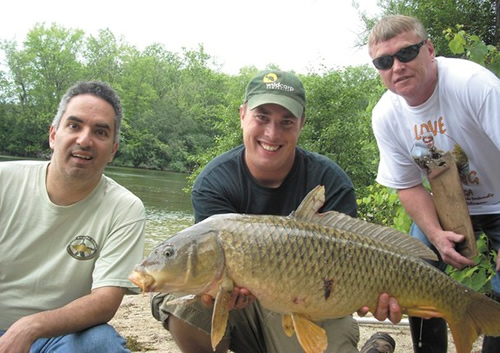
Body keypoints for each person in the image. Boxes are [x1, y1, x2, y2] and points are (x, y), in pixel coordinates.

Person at [151, 70, 401, 353]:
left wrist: (373, 295)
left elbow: (355, 269)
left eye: (286, 122)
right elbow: (206, 269)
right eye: (262, 117)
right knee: (178, 302)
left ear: (301, 124)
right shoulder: (215, 181)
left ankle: (375, 347)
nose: (272, 133)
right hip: (240, 309)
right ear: (242, 114)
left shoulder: (329, 180)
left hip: (312, 306)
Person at [368, 14, 500, 353]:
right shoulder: (386, 114)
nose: (396, 66)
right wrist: (436, 235)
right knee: (413, 270)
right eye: (384, 61)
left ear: (429, 49)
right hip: (446, 205)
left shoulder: (474, 84)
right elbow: (408, 185)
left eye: (406, 53)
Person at [0, 81, 146, 352]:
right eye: (74, 126)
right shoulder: (4, 181)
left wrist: (30, 326)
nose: (84, 140)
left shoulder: (126, 209)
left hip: (59, 336)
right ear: (54, 135)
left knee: (101, 343)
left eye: (100, 132)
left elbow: (105, 300)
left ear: (113, 149)